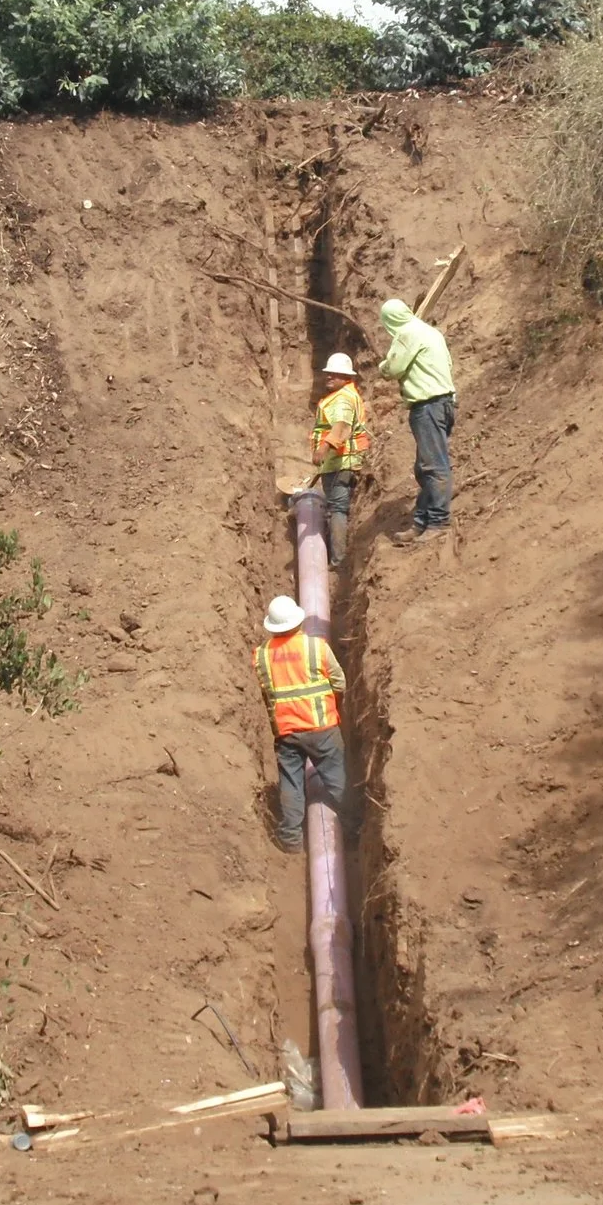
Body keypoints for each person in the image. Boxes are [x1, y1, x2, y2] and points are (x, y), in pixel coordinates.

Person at [254, 594, 346, 852]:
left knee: (291, 785)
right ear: (297, 620)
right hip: (322, 728)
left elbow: (266, 693)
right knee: (336, 778)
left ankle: (291, 839)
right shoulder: (316, 647)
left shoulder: (261, 655)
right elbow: (340, 682)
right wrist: (335, 705)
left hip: (286, 732)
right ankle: (352, 828)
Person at [378, 297, 455, 539]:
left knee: (434, 466)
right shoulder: (432, 332)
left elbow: (393, 368)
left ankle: (439, 523)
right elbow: (449, 363)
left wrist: (383, 366)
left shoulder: (406, 334)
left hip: (428, 405)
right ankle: (421, 522)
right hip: (445, 403)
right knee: (424, 468)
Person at [310, 351, 371, 566]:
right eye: (328, 373)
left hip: (340, 461)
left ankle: (338, 561)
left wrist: (323, 447)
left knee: (336, 508)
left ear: (347, 377)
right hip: (344, 461)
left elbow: (342, 425)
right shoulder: (348, 394)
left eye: (335, 374)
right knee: (338, 507)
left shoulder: (342, 398)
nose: (329, 377)